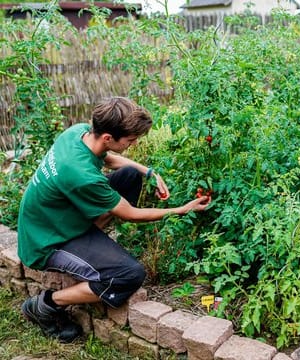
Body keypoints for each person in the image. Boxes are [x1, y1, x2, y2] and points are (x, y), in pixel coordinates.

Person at [17, 97, 211, 342]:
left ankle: (94, 245)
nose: (134, 143)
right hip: (47, 241)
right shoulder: (82, 175)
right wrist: (181, 209)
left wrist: (149, 171)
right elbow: (130, 214)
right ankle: (45, 305)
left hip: (51, 218)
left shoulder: (79, 133)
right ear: (108, 137)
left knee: (129, 176)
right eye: (130, 140)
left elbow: (107, 159)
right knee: (128, 275)